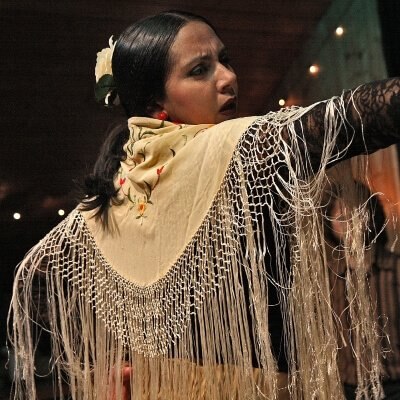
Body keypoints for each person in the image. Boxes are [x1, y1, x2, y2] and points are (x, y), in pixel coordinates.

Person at [8, 10, 400, 400]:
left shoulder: (112, 191)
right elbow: (353, 117)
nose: (228, 78)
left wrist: (119, 357)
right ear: (153, 97)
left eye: (224, 60)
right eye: (200, 70)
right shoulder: (239, 149)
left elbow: (33, 278)